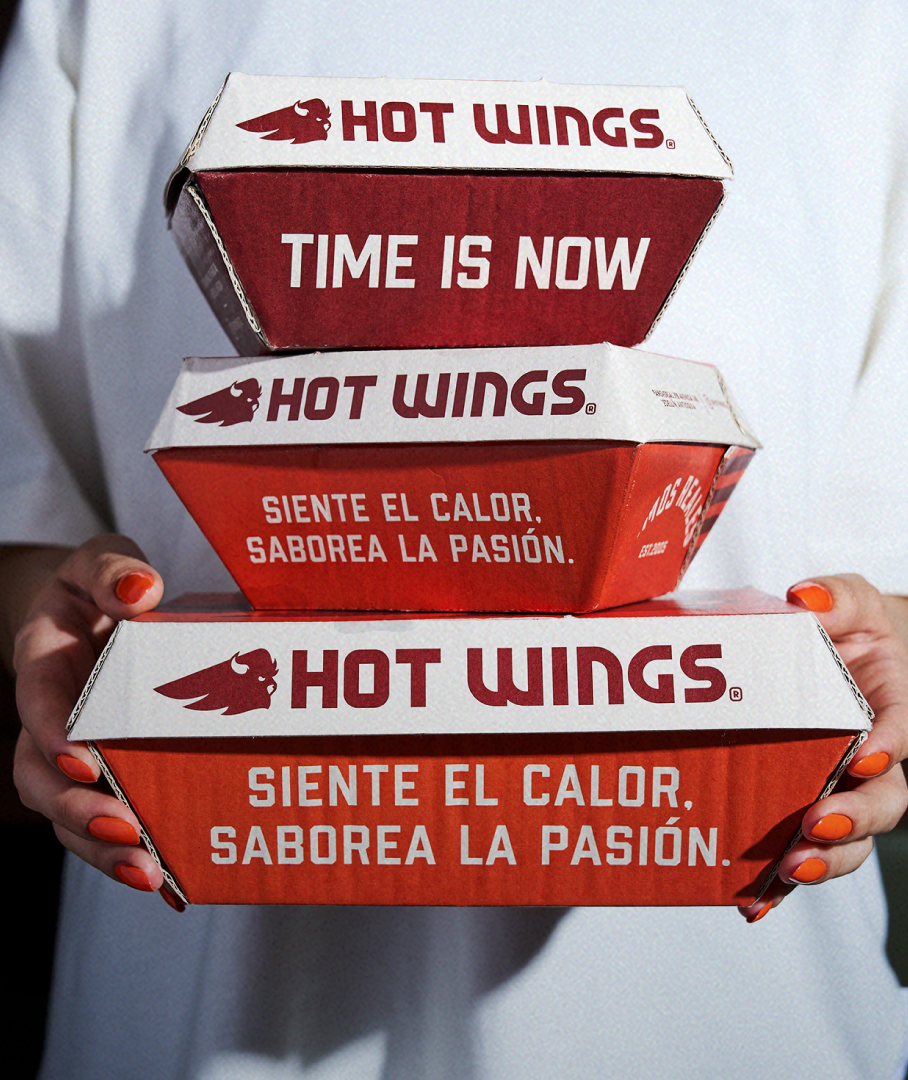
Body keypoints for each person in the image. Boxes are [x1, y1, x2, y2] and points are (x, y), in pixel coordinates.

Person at [3, 2, 908, 1078]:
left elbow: (884, 575)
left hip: (737, 1005)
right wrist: (52, 644)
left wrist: (880, 674)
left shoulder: (859, 26)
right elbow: (25, 509)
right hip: (211, 987)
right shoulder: (108, 14)